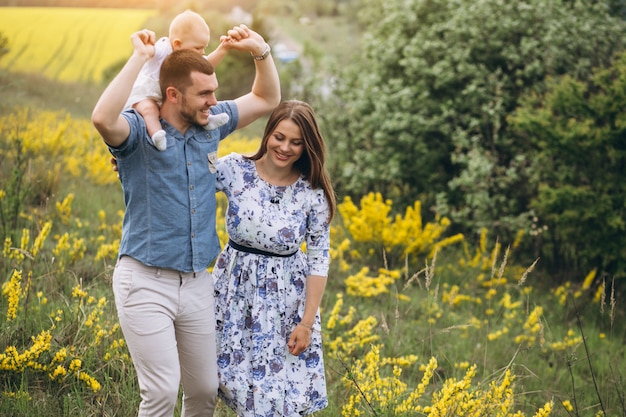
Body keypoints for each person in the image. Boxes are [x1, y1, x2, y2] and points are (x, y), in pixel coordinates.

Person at [91, 23, 280, 417]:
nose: (215, 100)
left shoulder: (210, 124)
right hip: (145, 281)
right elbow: (102, 118)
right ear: (173, 95)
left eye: (215, 92)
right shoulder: (140, 133)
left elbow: (266, 98)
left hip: (197, 282)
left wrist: (260, 49)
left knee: (204, 389)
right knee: (160, 391)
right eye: (205, 93)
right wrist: (140, 58)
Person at [212, 100, 336, 416]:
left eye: (296, 142)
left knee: (271, 401)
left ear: (307, 146)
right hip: (231, 296)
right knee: (211, 384)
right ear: (268, 133)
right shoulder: (234, 169)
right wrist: (130, 159)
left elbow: (319, 258)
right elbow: (181, 183)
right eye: (279, 137)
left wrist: (306, 323)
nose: (285, 148)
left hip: (284, 305)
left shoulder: (312, 192)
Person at [126, 9, 230, 151]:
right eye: (198, 47)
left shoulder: (189, 59)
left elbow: (207, 65)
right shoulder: (163, 48)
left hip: (166, 97)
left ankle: (208, 120)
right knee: (149, 109)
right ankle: (156, 134)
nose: (203, 52)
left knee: (195, 104)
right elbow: (150, 52)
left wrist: (223, 49)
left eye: (204, 48)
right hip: (146, 94)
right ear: (177, 44)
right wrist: (145, 50)